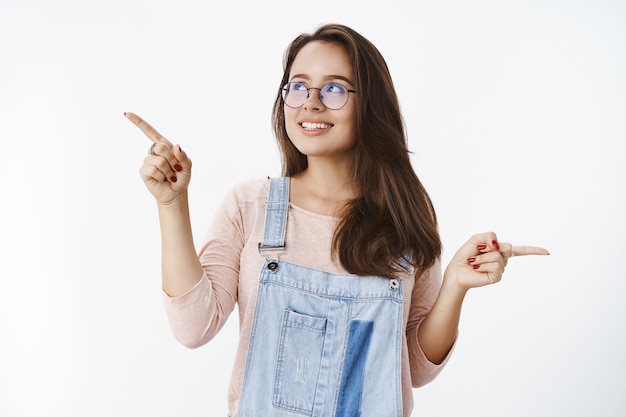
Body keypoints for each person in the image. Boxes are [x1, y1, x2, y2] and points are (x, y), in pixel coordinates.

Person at [126, 23, 549, 417]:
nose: (311, 102)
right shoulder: (250, 204)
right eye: (298, 86)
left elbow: (416, 370)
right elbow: (193, 328)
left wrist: (456, 284)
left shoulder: (403, 218)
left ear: (371, 106)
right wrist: (171, 203)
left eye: (333, 89)